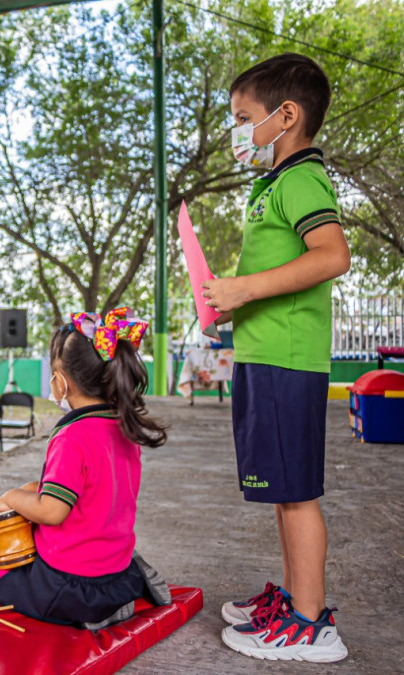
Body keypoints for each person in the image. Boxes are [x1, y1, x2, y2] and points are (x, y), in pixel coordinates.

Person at [200, 54, 351, 663]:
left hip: (289, 360)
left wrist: (244, 289)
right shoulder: (274, 185)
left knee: (297, 492)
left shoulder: (301, 179)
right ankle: (293, 600)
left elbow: (332, 256)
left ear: (285, 116)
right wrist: (232, 305)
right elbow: (280, 271)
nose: (238, 130)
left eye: (244, 117)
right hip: (266, 354)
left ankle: (311, 625)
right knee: (284, 490)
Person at [0, 309, 170, 629]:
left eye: (53, 374)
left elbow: (52, 511)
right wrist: (23, 492)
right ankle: (121, 596)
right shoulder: (122, 426)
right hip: (114, 570)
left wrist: (9, 496)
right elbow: (84, 485)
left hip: (72, 582)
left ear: (61, 382)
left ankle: (88, 613)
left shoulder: (71, 436)